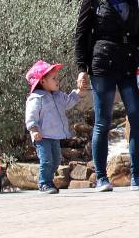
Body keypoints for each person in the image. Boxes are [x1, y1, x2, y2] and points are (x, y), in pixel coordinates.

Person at [75, 0, 139, 191]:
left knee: (137, 118)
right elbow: (81, 34)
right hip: (102, 65)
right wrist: (82, 68)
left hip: (129, 63)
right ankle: (102, 177)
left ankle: (137, 175)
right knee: (102, 121)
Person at [24, 60, 85, 194]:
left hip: (54, 136)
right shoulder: (36, 98)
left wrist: (79, 92)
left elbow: (69, 102)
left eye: (57, 78)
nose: (58, 81)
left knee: (56, 160)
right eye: (54, 78)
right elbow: (31, 115)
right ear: (42, 81)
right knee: (46, 160)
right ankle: (44, 183)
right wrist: (34, 129)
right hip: (42, 136)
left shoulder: (58, 96)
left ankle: (49, 181)